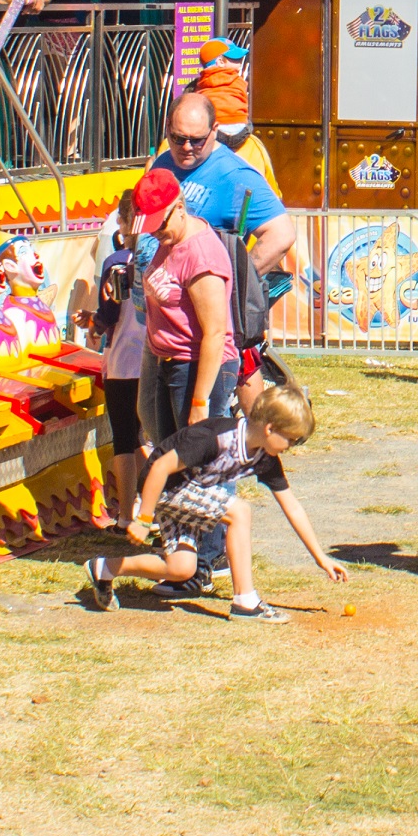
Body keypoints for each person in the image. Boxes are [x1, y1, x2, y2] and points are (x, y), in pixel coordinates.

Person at [82, 372, 344, 619]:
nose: (291, 447)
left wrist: (321, 558)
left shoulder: (266, 457)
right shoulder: (216, 438)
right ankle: (245, 600)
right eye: (291, 439)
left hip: (188, 492)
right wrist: (142, 518)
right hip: (162, 486)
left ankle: (104, 568)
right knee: (239, 511)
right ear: (270, 429)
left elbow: (292, 507)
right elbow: (160, 467)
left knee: (182, 568)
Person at [131, 167, 236, 435]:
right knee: (171, 456)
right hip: (170, 361)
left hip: (195, 366)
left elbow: (214, 332)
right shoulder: (171, 239)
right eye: (149, 227)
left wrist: (200, 401)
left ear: (179, 208)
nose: (154, 233)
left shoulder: (201, 255)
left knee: (197, 463)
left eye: (159, 224)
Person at [151, 89, 296, 283]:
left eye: (197, 140)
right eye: (178, 138)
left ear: (214, 130)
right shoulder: (162, 162)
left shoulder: (235, 175)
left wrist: (233, 285)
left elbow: (282, 233)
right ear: (167, 126)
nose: (186, 147)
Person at [90, 191, 148, 520]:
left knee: (125, 440)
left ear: (125, 223)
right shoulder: (163, 257)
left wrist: (94, 324)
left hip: (124, 361)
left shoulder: (118, 262)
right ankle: (155, 511)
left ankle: (126, 514)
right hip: (157, 360)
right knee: (152, 441)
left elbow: (109, 313)